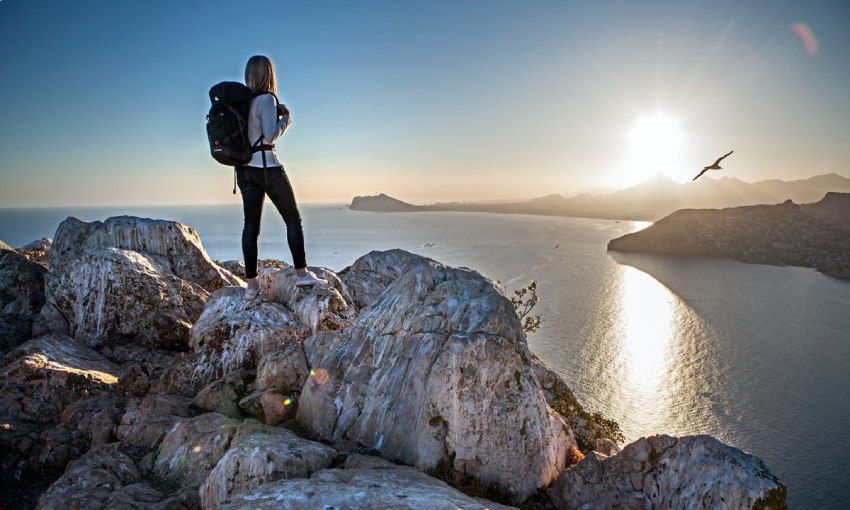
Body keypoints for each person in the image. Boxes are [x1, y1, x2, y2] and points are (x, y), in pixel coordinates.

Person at [238, 55, 326, 300]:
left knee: (250, 227)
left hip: (244, 171)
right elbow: (269, 136)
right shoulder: (267, 99)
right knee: (293, 220)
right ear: (269, 74)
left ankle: (252, 285)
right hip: (267, 168)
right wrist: (286, 119)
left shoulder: (242, 103)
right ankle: (301, 275)